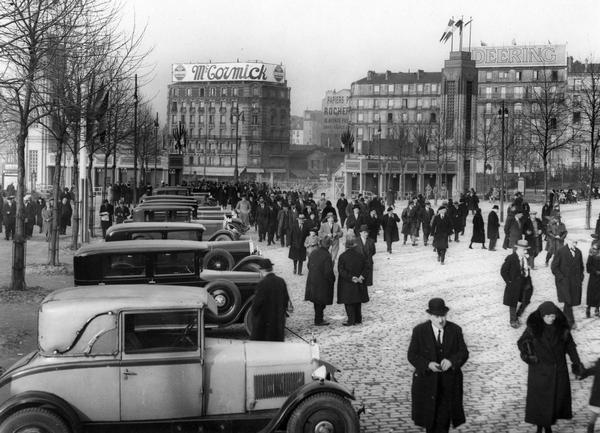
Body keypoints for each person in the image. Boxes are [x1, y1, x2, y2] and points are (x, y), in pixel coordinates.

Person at [517, 301, 583, 433]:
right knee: (541, 401)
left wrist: (577, 364)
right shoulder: (533, 327)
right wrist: (529, 356)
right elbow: (522, 343)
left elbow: (571, 347)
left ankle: (546, 425)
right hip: (539, 370)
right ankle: (542, 426)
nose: (550, 319)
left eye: (553, 316)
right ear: (542, 316)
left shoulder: (562, 328)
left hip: (558, 370)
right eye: (547, 317)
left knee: (554, 401)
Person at [407, 298, 469, 433]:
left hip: (448, 386)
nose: (441, 320)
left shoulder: (455, 330)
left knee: (443, 421)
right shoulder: (419, 331)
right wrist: (428, 364)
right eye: (437, 316)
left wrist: (452, 361)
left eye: (443, 316)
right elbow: (412, 355)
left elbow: (463, 352)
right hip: (427, 384)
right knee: (429, 420)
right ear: (430, 316)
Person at [249, 259, 291, 342]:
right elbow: (286, 301)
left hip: (264, 324)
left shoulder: (262, 284)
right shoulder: (281, 281)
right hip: (278, 323)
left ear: (261, 270)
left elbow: (256, 305)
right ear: (271, 268)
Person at [551, 238, 584, 329]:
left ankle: (562, 321)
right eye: (573, 241)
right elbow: (554, 267)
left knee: (569, 302)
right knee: (568, 301)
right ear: (568, 242)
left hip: (575, 282)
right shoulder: (560, 251)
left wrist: (581, 277)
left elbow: (581, 266)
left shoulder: (578, 252)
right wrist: (561, 277)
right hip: (564, 282)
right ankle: (571, 322)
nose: (575, 243)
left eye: (576, 242)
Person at [501, 239, 534, 328]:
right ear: (518, 249)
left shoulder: (525, 258)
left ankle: (518, 315)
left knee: (526, 300)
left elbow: (526, 269)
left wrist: (528, 278)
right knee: (513, 302)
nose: (526, 251)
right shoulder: (511, 258)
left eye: (526, 249)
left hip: (525, 282)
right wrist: (509, 282)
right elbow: (503, 271)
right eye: (524, 250)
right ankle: (513, 320)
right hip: (514, 284)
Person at [337, 236, 369, 326]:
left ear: (346, 247)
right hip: (359, 282)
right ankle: (358, 319)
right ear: (355, 246)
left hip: (347, 283)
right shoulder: (361, 256)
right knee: (357, 300)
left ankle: (351, 320)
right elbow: (367, 267)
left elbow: (341, 270)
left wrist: (352, 277)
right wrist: (361, 276)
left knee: (348, 302)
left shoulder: (342, 256)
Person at [305, 237, 335, 326]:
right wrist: (332, 279)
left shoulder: (313, 252)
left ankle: (318, 319)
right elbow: (328, 272)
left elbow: (308, 265)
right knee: (321, 302)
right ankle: (318, 320)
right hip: (322, 283)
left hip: (312, 280)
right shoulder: (327, 255)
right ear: (329, 245)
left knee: (316, 301)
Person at [580, 358, 600, 433]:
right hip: (597, 398)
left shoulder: (598, 366)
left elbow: (587, 372)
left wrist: (581, 372)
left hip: (596, 398)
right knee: (592, 420)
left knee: (592, 420)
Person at [586, 243, 600, 318]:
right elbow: (588, 266)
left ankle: (597, 309)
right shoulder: (591, 254)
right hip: (593, 278)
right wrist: (595, 271)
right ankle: (588, 308)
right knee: (591, 293)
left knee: (599, 294)